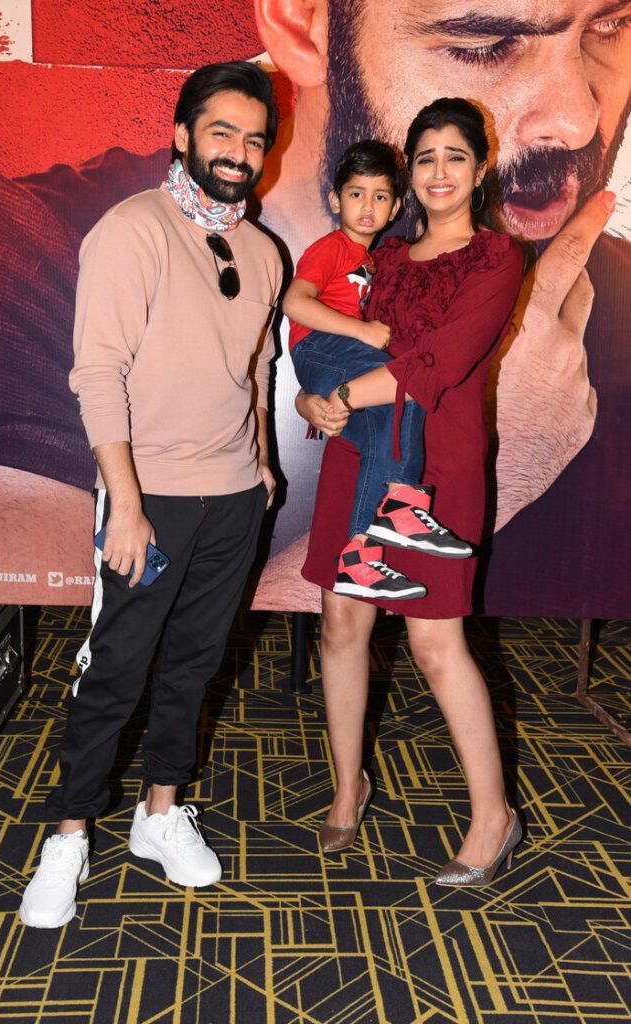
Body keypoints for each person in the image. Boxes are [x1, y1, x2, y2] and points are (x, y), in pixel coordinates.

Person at [253, 0, 629, 617]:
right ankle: (393, 517)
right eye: (484, 43)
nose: (578, 122)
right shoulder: (75, 241)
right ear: (302, 24)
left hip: (417, 464)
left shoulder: (583, 285)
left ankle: (397, 513)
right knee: (345, 628)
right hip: (357, 438)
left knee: (434, 641)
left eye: (608, 27)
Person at [18, 61, 283, 929]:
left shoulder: (263, 252)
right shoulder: (132, 231)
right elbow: (98, 372)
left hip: (234, 498)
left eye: (253, 138)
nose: (238, 151)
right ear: (181, 135)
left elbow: (254, 369)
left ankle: (160, 813)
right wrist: (124, 503)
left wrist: (263, 462)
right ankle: (67, 834)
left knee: (195, 666)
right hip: (151, 498)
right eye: (221, 132)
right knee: (116, 669)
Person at [297, 98, 525, 884]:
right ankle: (347, 787)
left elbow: (437, 366)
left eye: (455, 156)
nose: (438, 171)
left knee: (434, 644)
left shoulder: (495, 259)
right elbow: (331, 337)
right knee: (340, 623)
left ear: (480, 169)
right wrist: (312, 399)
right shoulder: (386, 257)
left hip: (440, 470)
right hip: (360, 454)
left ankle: (493, 816)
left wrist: (339, 395)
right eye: (425, 157)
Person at [285, 139, 473, 600]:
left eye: (380, 196)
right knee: (404, 381)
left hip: (336, 360)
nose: (368, 207)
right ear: (335, 200)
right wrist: (361, 330)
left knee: (380, 441)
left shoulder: (374, 259)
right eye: (356, 194)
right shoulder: (332, 248)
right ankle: (402, 504)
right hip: (320, 350)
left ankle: (359, 557)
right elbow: (294, 302)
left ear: (395, 208)